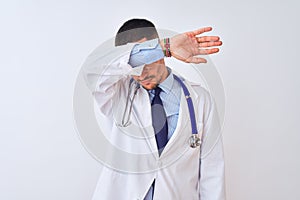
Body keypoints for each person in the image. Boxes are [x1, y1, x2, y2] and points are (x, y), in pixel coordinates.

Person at [83, 18, 225, 200]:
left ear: (160, 56)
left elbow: (212, 174)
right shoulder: (116, 93)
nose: (139, 73)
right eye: (135, 62)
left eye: (146, 59)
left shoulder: (200, 99)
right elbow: (90, 69)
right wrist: (162, 46)